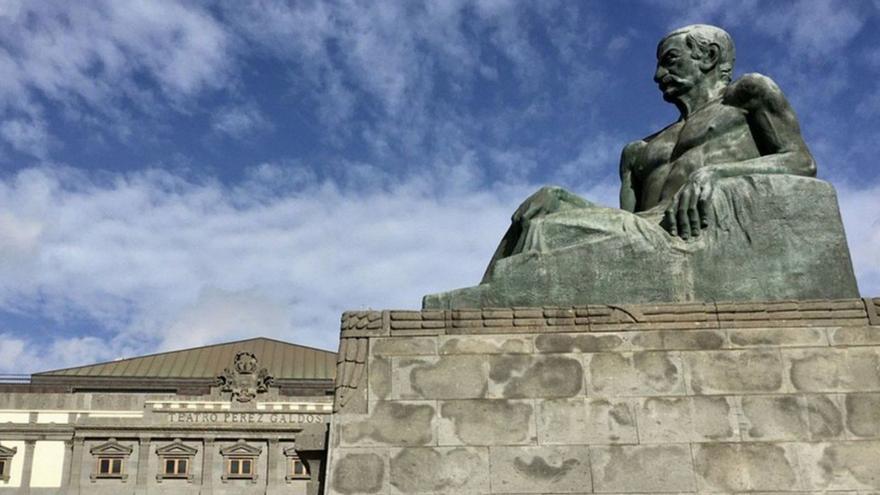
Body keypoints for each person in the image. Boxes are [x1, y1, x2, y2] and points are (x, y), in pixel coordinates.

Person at [620, 24, 816, 239]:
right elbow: (624, 227)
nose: (658, 75)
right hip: (643, 236)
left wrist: (716, 173)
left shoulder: (747, 94)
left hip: (695, 232)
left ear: (709, 56)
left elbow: (801, 161)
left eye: (670, 60)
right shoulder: (637, 151)